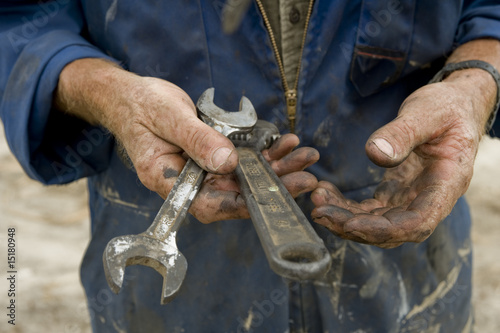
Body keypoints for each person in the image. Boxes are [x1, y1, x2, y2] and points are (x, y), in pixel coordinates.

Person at [1, 0, 499, 332]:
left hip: (405, 258)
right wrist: (110, 95)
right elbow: (23, 24)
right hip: (169, 303)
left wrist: (475, 82)